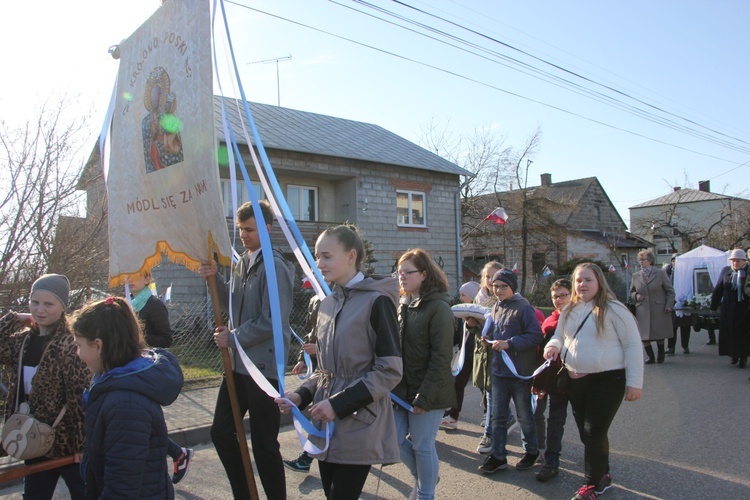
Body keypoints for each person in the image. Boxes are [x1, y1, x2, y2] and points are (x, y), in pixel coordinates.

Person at [275, 224, 402, 499]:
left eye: (326, 256)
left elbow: (390, 370)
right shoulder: (327, 304)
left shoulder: (378, 302)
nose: (319, 263)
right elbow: (324, 370)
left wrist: (338, 404)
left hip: (360, 422)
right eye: (317, 256)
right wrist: (300, 395)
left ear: (351, 256)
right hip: (325, 424)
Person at [200, 200, 294, 500]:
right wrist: (213, 278)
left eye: (250, 229)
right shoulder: (243, 262)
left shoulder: (275, 266)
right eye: (240, 229)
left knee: (265, 443)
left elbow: (273, 320)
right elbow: (233, 303)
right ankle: (244, 494)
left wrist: (235, 336)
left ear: (267, 229)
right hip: (239, 366)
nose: (243, 235)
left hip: (263, 369)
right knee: (221, 432)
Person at [545, 263, 643, 500]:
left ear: (599, 282)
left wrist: (635, 383)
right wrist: (553, 346)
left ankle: (592, 485)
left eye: (588, 280)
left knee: (593, 431)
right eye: (579, 280)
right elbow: (560, 336)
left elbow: (632, 345)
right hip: (575, 380)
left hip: (608, 380)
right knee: (586, 433)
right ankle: (603, 474)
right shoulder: (569, 310)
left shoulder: (614, 309)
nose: (582, 285)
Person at [71, 296, 182, 499]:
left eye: (79, 345)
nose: (78, 353)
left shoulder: (125, 405)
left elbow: (121, 488)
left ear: (98, 345)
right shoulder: (112, 385)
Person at [0, 274, 90, 499]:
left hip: (67, 445)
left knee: (86, 495)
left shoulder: (71, 345)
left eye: (48, 304)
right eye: (34, 302)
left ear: (62, 308)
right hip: (34, 439)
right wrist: (14, 319)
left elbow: (79, 400)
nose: (40, 310)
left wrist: (82, 447)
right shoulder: (24, 341)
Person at [393, 248, 456, 500]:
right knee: (394, 441)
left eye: (408, 272)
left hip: (429, 391)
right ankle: (425, 475)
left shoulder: (439, 307)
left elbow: (441, 358)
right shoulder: (403, 305)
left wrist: (424, 396)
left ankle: (426, 493)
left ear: (424, 274)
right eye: (399, 272)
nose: (402, 277)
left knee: (422, 445)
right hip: (401, 390)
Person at [127, 270, 193, 484]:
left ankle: (172, 459)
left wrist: (135, 335)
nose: (130, 280)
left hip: (146, 370)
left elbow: (166, 339)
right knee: (144, 423)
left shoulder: (153, 305)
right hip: (129, 368)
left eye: (135, 276)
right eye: (127, 276)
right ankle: (178, 454)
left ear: (148, 279)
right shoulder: (129, 303)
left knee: (145, 421)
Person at [478, 268, 543, 474]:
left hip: (519, 373)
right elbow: (493, 330)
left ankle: (531, 451)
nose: (498, 290)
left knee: (524, 415)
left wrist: (510, 343)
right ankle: (498, 456)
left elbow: (535, 336)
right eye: (495, 286)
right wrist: (487, 338)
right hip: (498, 372)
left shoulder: (524, 308)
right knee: (497, 417)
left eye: (503, 286)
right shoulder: (496, 306)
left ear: (512, 287)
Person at [531, 279, 572, 482]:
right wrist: (539, 383)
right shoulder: (549, 321)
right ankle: (551, 462)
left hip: (580, 378)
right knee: (555, 422)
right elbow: (543, 358)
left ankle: (599, 467)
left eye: (564, 295)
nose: (559, 300)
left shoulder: (580, 318)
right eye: (555, 296)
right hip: (556, 381)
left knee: (587, 426)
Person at [283, 291, 323, 473]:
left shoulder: (337, 295)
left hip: (333, 363)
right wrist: (302, 358)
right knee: (319, 412)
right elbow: (309, 333)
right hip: (316, 363)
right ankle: (308, 457)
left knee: (321, 413)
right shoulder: (315, 299)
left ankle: (307, 457)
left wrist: (320, 349)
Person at [468, 261, 503, 454]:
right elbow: (476, 331)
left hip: (498, 354)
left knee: (492, 395)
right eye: (488, 277)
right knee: (487, 391)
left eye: (495, 276)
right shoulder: (479, 298)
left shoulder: (506, 298)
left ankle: (489, 435)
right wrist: (471, 323)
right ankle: (506, 418)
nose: (490, 281)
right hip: (482, 354)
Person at [441, 280, 481, 430]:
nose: (460, 298)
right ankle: (453, 415)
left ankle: (487, 415)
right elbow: (457, 336)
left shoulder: (482, 312)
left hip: (479, 356)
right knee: (458, 384)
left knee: (484, 388)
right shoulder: (460, 314)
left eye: (463, 295)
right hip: (465, 355)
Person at [630, 249, 675, 364]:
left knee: (659, 335)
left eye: (643, 259)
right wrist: (636, 296)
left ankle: (661, 354)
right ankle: (650, 356)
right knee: (644, 336)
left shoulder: (660, 273)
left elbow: (670, 291)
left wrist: (669, 305)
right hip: (643, 309)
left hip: (658, 309)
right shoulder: (635, 276)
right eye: (639, 260)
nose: (641, 262)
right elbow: (631, 292)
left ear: (650, 260)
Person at [711, 249, 750, 368]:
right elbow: (718, 289)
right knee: (729, 332)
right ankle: (733, 355)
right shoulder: (726, 271)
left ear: (744, 261)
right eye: (733, 261)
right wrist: (713, 305)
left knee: (742, 334)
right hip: (728, 308)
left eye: (738, 261)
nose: (735, 263)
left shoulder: (748, 272)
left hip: (744, 308)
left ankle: (743, 357)